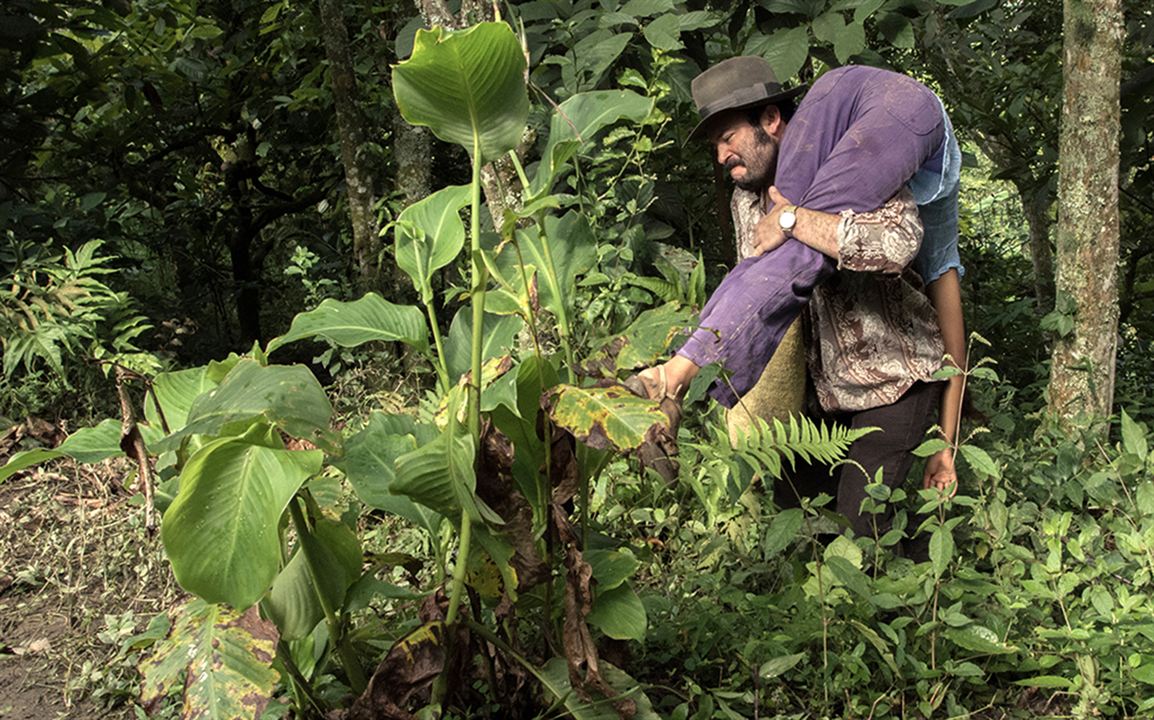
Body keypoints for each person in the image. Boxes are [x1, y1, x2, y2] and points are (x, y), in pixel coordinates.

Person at [634, 57, 965, 541]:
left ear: (770, 120)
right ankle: (670, 384)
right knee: (803, 535)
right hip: (818, 398)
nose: (721, 154)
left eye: (728, 137)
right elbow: (763, 285)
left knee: (859, 534)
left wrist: (794, 220)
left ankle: (923, 587)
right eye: (714, 146)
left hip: (892, 384)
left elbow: (896, 244)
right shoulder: (744, 200)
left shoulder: (862, 157)